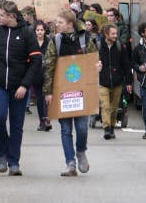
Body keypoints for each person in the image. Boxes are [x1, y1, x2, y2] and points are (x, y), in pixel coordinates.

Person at [0, 1, 42, 176]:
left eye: (1, 15)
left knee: (17, 125)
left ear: (11, 16)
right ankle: (2, 153)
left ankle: (14, 162)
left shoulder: (27, 33)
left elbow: (36, 61)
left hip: (19, 87)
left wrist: (25, 85)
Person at [43, 10, 100, 177]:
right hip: (62, 92)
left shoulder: (85, 40)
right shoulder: (56, 41)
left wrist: (97, 66)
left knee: (82, 128)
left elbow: (94, 61)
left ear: (70, 24)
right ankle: (70, 163)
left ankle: (81, 151)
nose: (56, 25)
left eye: (60, 22)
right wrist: (48, 91)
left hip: (82, 91)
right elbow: (48, 66)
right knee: (65, 130)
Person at [97, 24, 132, 140]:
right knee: (105, 106)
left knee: (114, 107)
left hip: (117, 81)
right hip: (102, 81)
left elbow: (126, 65)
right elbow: (90, 62)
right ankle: (106, 128)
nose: (115, 36)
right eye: (113, 34)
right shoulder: (97, 46)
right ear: (106, 34)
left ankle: (112, 127)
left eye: (116, 33)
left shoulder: (120, 46)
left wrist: (128, 82)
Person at [33, 20, 52, 132]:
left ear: (45, 31)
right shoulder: (32, 42)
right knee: (40, 99)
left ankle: (47, 119)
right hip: (36, 74)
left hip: (47, 73)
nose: (40, 32)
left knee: (47, 98)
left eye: (41, 30)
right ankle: (42, 120)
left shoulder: (49, 42)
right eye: (38, 30)